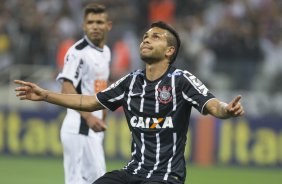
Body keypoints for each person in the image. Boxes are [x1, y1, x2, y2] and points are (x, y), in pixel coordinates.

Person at [14, 21, 244, 184]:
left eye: (156, 37)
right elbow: (90, 101)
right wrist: (45, 94)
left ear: (169, 51)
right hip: (133, 172)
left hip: (165, 176)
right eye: (145, 36)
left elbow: (213, 105)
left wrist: (226, 109)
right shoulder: (131, 81)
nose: (146, 39)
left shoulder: (181, 80)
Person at [55, 3, 112, 184]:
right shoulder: (78, 53)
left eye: (99, 22)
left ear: (108, 25)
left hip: (93, 128)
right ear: (83, 26)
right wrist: (88, 117)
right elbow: (66, 87)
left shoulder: (106, 52)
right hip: (80, 127)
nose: (95, 26)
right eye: (90, 22)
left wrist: (103, 114)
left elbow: (100, 88)